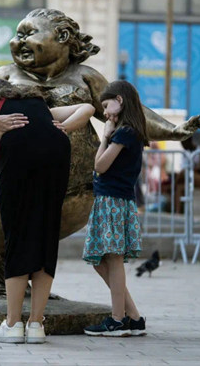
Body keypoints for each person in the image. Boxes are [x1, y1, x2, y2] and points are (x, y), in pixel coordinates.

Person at [0, 79, 95, 344]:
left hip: (20, 153)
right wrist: (63, 128)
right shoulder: (42, 109)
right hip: (57, 152)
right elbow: (87, 108)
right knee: (45, 237)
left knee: (18, 237)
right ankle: (37, 325)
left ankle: (13, 324)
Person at [82, 80, 147, 337]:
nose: (105, 113)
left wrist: (106, 136)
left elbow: (100, 165)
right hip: (114, 200)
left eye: (107, 106)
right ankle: (133, 317)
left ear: (120, 100)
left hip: (113, 201)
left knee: (112, 258)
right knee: (102, 261)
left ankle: (117, 319)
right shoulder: (130, 131)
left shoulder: (124, 133)